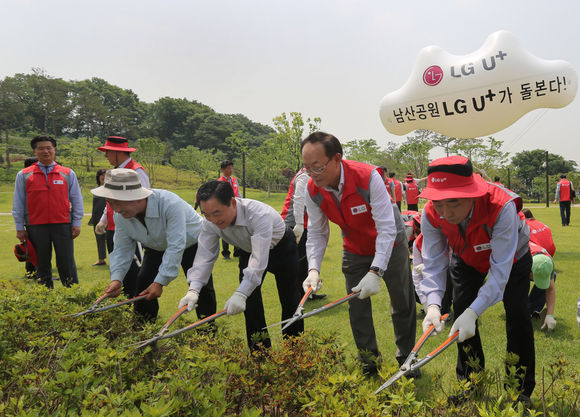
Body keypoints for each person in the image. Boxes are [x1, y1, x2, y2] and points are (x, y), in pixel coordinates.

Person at [419, 156, 534, 404]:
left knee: (517, 315)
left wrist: (475, 312)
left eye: (454, 202)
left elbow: (500, 273)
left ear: (472, 194)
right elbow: (434, 262)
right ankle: (471, 385)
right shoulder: (429, 213)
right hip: (465, 257)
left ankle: (519, 391)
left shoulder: (501, 206)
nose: (445, 213)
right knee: (461, 309)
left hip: (513, 258)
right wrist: (433, 304)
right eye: (438, 204)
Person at [301, 131, 417, 376]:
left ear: (337, 159)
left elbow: (386, 228)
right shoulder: (312, 188)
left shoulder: (368, 177)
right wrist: (313, 269)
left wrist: (375, 271)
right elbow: (317, 232)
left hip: (391, 243)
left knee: (402, 301)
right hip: (354, 246)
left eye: (317, 167)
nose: (312, 174)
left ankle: (407, 358)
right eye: (307, 168)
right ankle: (368, 360)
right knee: (357, 306)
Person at [181, 180, 303, 351]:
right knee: (250, 304)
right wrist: (194, 290)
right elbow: (204, 257)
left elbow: (259, 260)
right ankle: (260, 354)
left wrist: (241, 293)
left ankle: (295, 352)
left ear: (232, 202)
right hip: (248, 249)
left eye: (217, 213)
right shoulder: (209, 223)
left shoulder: (258, 214)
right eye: (206, 214)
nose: (213, 220)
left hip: (282, 248)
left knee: (290, 299)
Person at [92, 169, 216, 322]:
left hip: (192, 242)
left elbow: (176, 245)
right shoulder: (120, 216)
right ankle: (143, 328)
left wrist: (160, 282)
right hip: (156, 245)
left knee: (201, 287)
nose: (115, 209)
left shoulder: (170, 203)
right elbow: (122, 249)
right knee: (143, 282)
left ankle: (207, 330)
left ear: (135, 196)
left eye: (117, 202)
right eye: (110, 203)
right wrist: (117, 279)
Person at [12, 135, 83, 289]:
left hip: (63, 224)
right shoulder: (24, 175)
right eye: (41, 148)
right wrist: (19, 227)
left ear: (54, 150)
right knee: (41, 263)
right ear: (34, 151)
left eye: (49, 148)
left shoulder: (67, 173)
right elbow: (18, 203)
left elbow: (77, 200)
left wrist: (77, 223)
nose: (46, 151)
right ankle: (45, 296)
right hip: (36, 226)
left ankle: (73, 294)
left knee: (66, 262)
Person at [95, 136, 149, 295]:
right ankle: (125, 300)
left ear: (118, 152)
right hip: (114, 227)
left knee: (135, 270)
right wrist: (103, 220)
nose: (106, 156)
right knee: (118, 267)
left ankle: (137, 301)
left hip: (131, 228)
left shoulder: (136, 171)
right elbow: (109, 200)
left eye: (108, 152)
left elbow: (144, 199)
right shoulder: (113, 173)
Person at [281, 167, 327, 301]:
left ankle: (307, 292)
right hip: (295, 224)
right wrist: (299, 224)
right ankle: (299, 295)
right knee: (299, 261)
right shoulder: (304, 176)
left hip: (304, 223)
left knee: (306, 260)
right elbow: (299, 200)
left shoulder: (308, 174)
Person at [528, 242, 557, 331]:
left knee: (553, 276)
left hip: (531, 264)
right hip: (518, 263)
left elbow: (550, 289)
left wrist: (550, 315)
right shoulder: (522, 259)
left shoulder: (549, 262)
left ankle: (531, 309)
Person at [217, 160, 240, 259]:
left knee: (237, 229)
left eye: (231, 168)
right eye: (228, 168)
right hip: (225, 209)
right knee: (226, 230)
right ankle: (226, 253)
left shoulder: (234, 180)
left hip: (236, 207)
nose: (231, 170)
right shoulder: (219, 182)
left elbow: (238, 193)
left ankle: (237, 252)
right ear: (223, 170)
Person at [89, 169, 108, 266]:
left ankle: (115, 260)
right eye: (102, 175)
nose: (103, 177)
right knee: (99, 239)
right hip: (97, 217)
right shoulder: (96, 190)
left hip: (108, 218)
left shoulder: (111, 189)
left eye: (105, 175)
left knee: (111, 239)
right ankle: (101, 259)